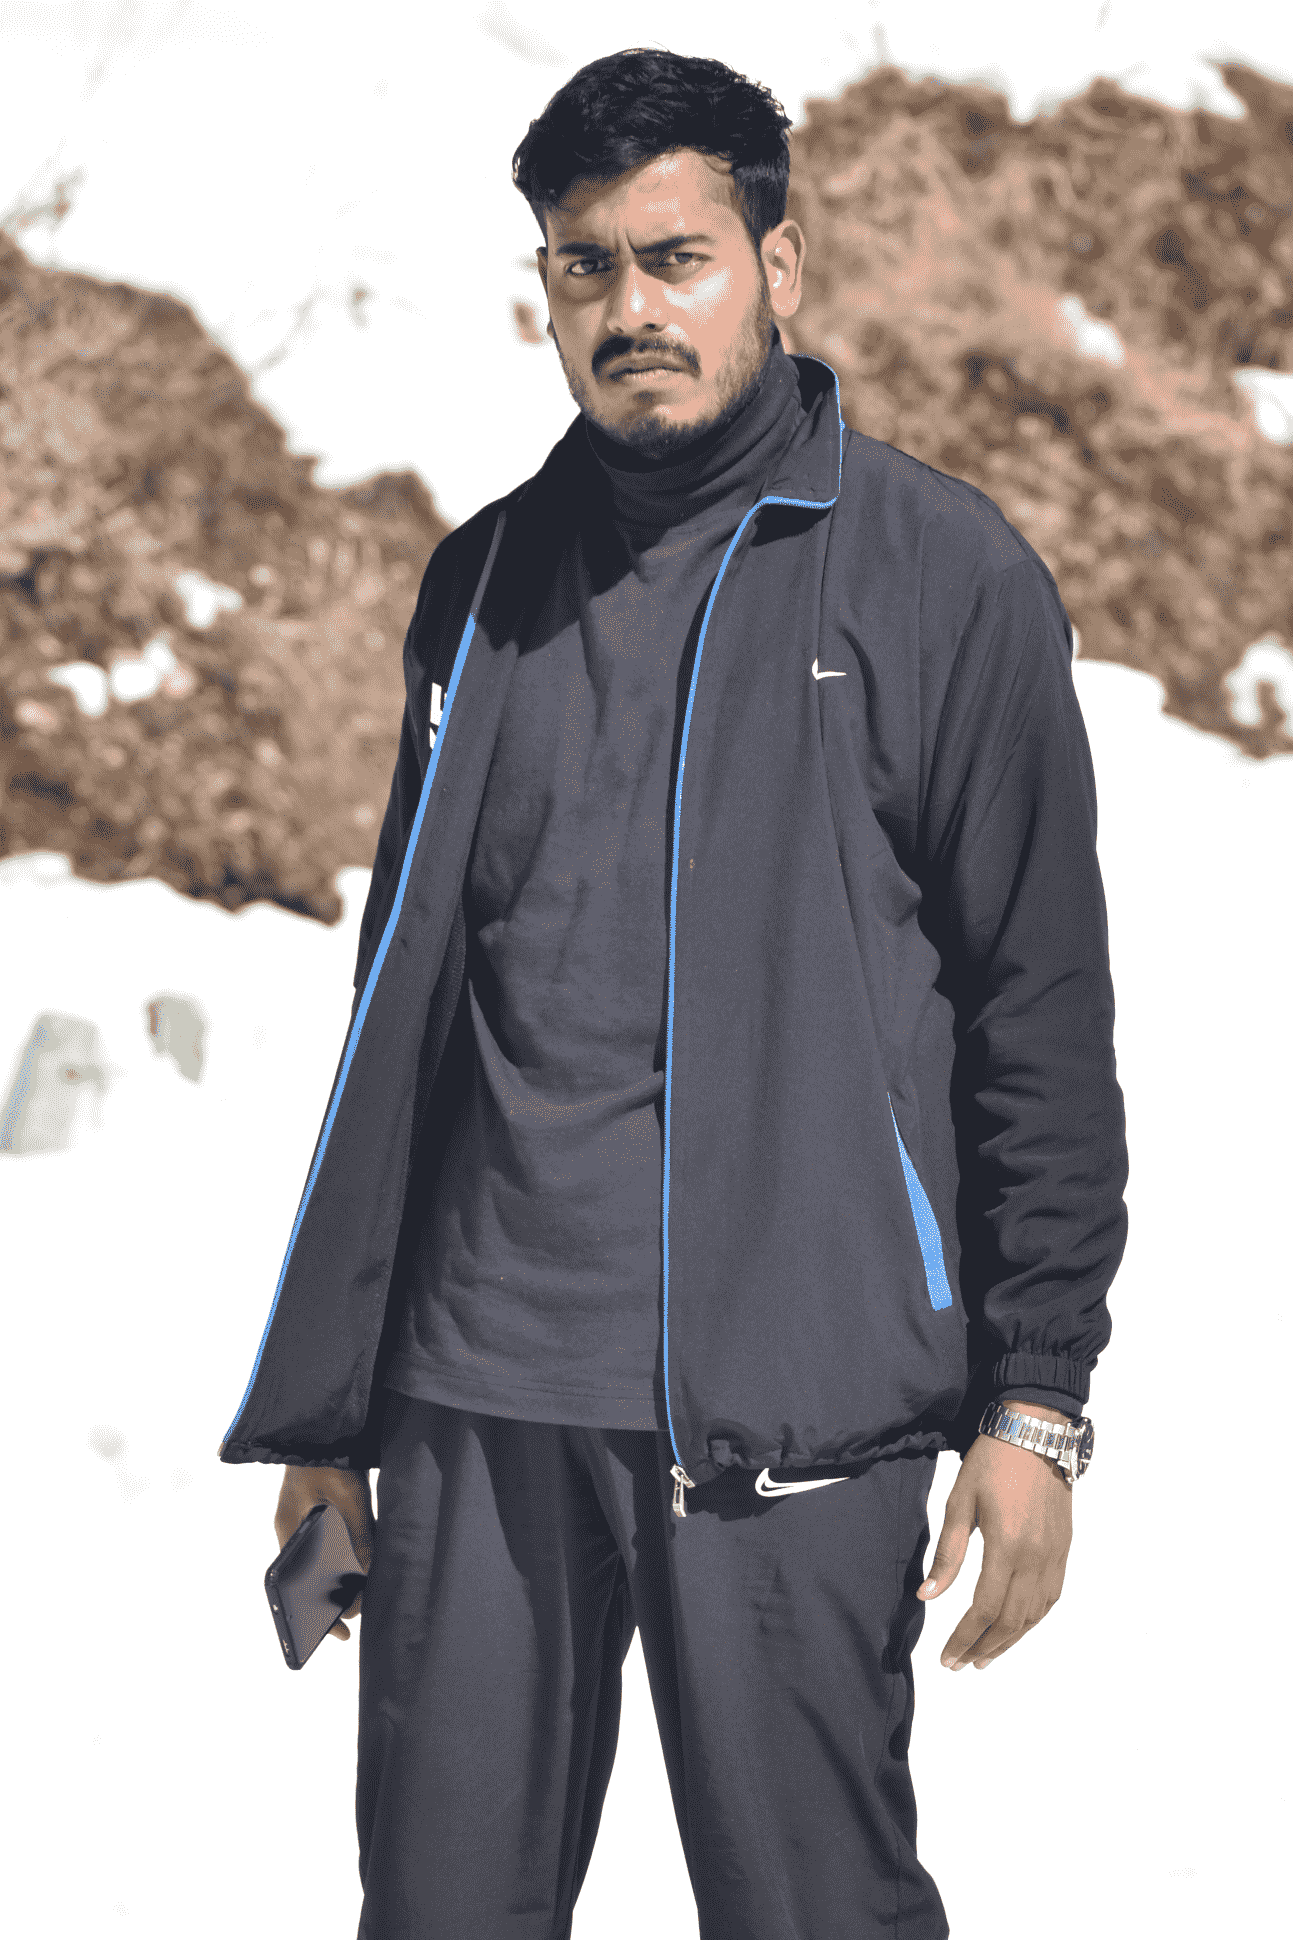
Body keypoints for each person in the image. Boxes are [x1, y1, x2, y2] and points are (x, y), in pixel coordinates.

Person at [223, 46, 1128, 1940]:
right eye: (585, 266)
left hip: (800, 1405)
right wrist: (331, 1403)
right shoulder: (482, 582)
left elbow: (1037, 1015)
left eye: (675, 256)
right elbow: (404, 1008)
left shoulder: (943, 578)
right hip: (476, 1398)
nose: (630, 306)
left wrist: (1037, 1399)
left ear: (777, 264)